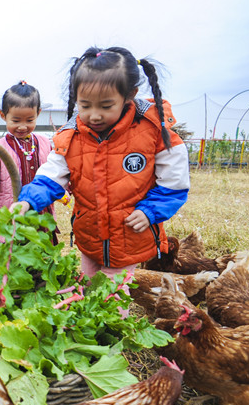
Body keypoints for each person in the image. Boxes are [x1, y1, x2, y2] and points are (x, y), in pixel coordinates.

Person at [12, 46, 190, 283]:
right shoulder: (70, 135)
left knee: (112, 297)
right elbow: (51, 176)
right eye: (85, 106)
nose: (94, 115)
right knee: (89, 284)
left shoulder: (155, 131)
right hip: (90, 236)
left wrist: (150, 211)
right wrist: (29, 200)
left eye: (105, 106)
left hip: (130, 234)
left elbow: (174, 184)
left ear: (129, 95)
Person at [0, 81, 60, 230]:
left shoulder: (45, 143)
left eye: (30, 120)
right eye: (16, 120)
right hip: (9, 215)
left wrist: (65, 189)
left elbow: (55, 172)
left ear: (38, 113)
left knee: (42, 248)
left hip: (41, 215)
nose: (23, 126)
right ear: (3, 115)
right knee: (12, 249)